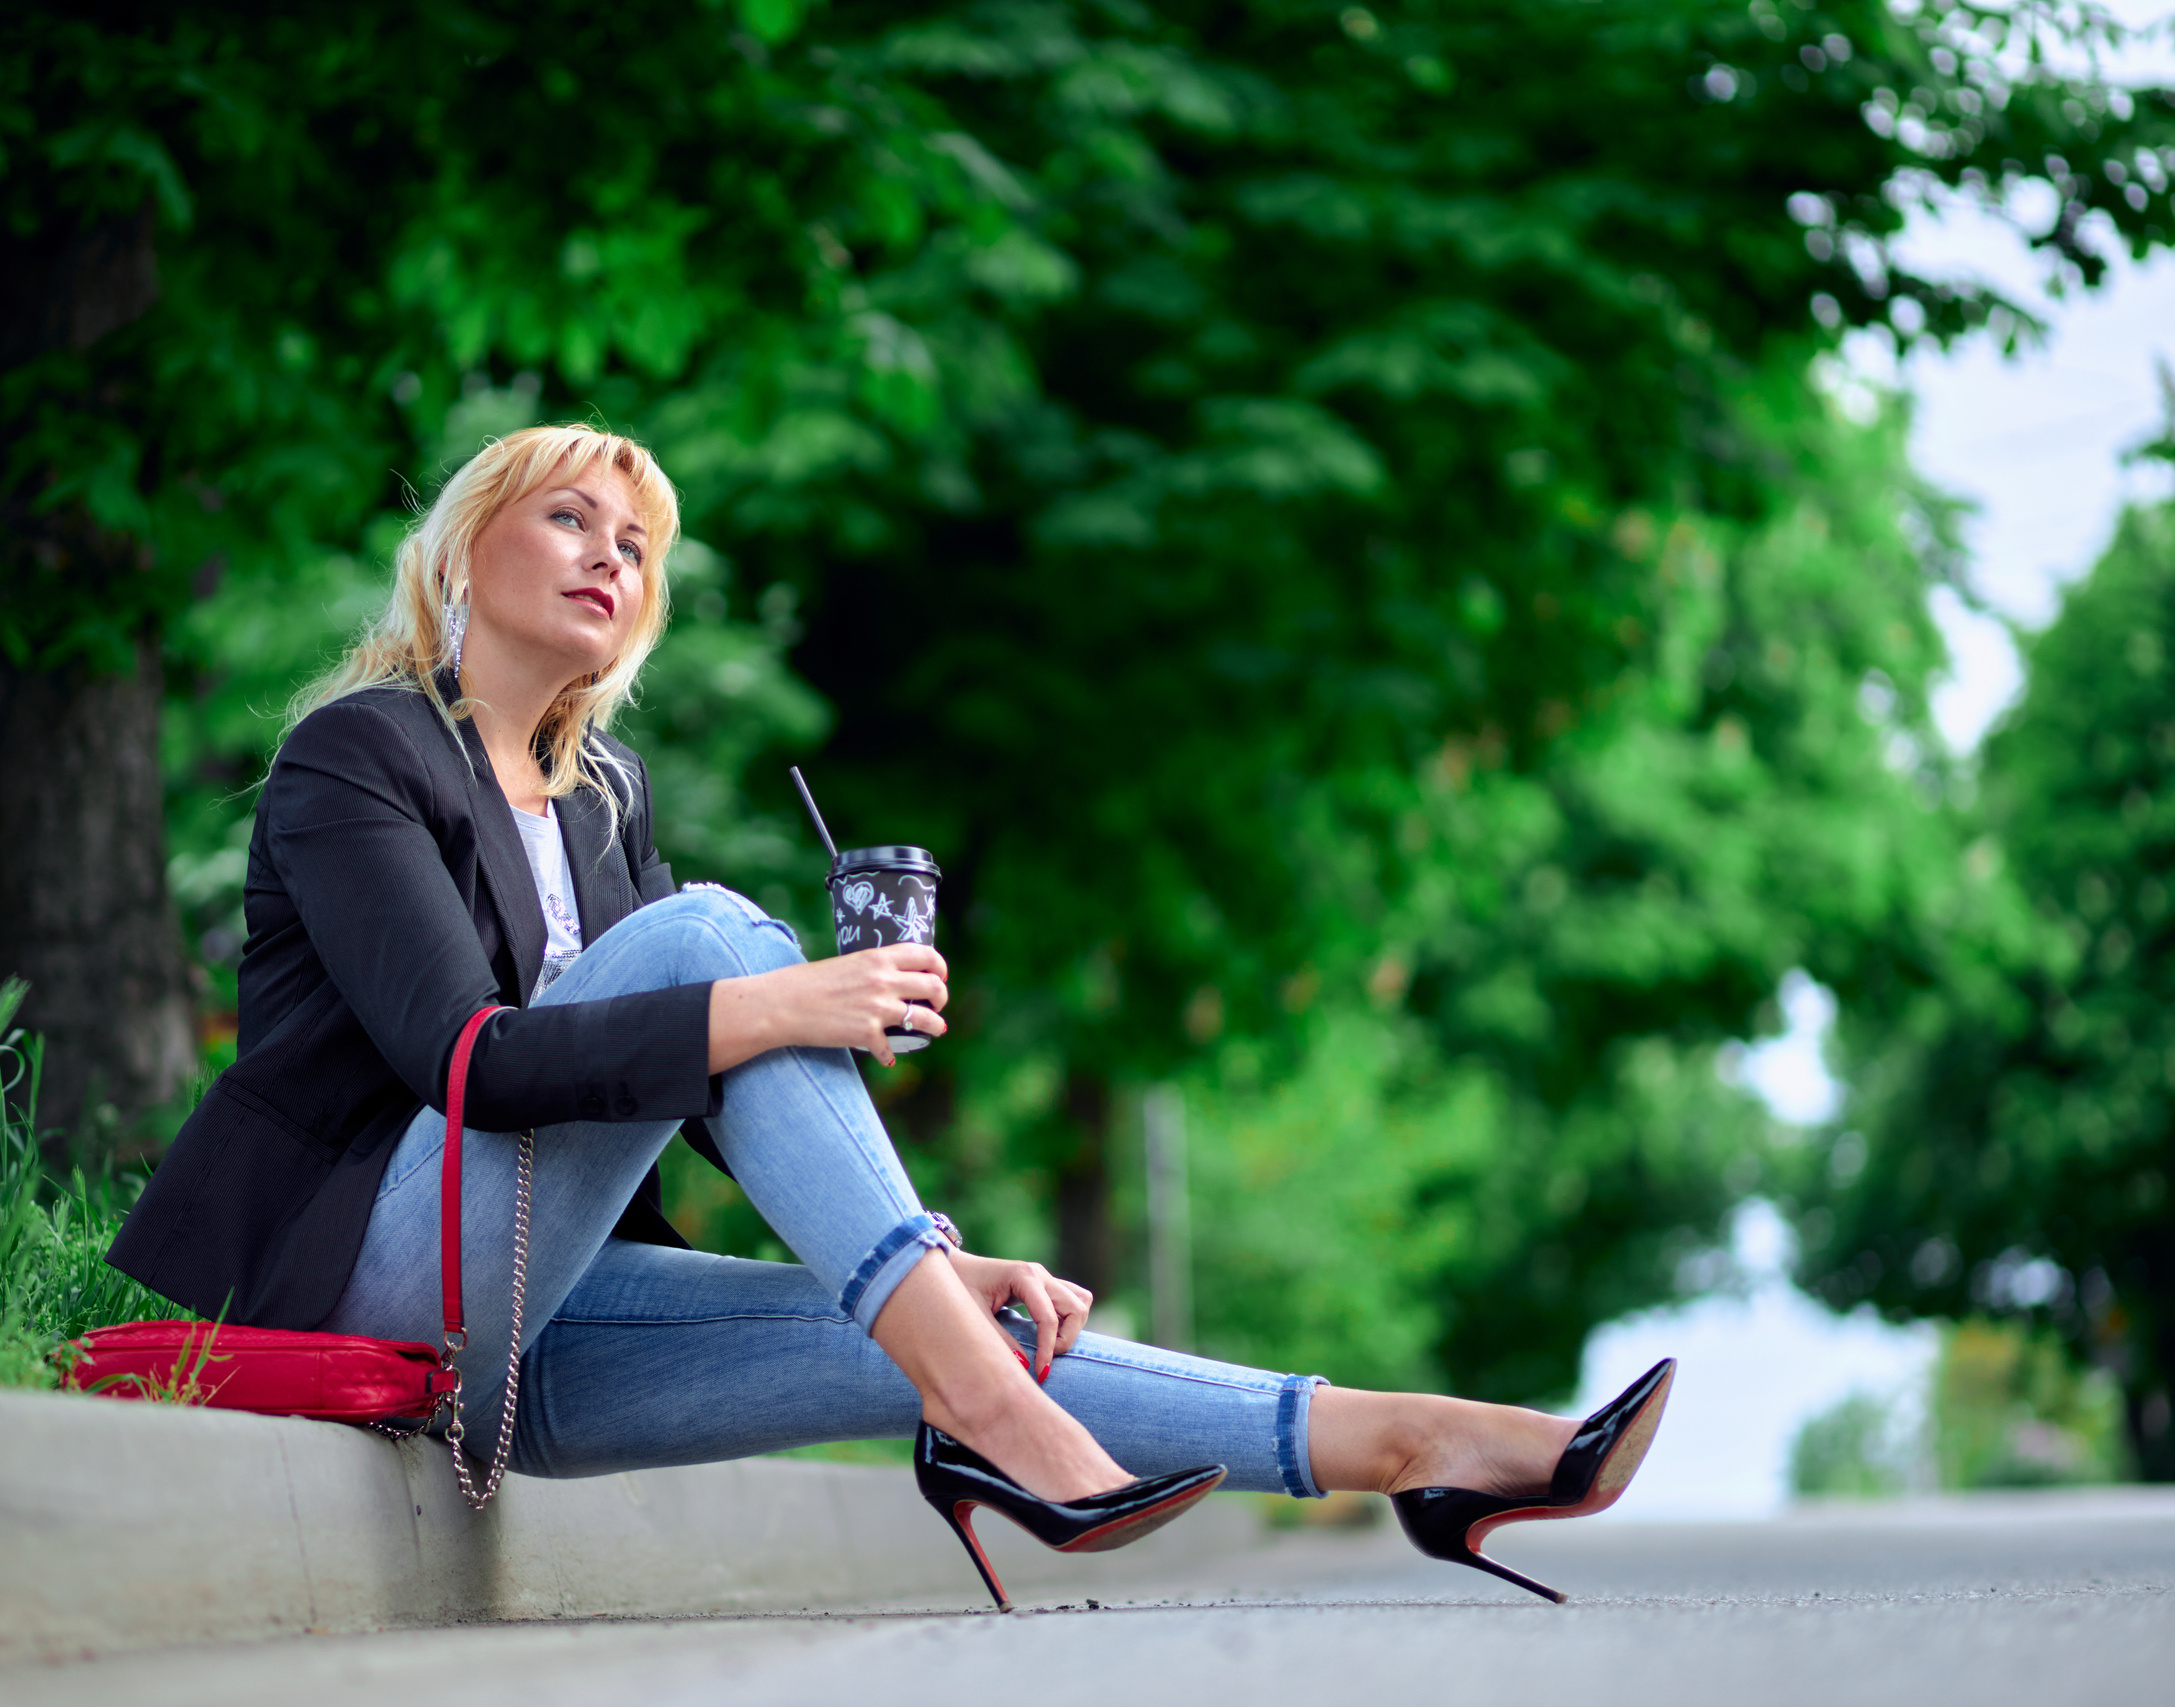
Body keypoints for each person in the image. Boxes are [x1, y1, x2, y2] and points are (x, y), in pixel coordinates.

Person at [107, 424, 1670, 1608]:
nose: (610, 555)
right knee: (717, 936)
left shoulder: (603, 800)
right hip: (358, 1291)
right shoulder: (360, 755)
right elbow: (476, 1067)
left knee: (937, 1306)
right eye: (569, 518)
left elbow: (697, 1088)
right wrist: (772, 993)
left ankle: (1426, 1449)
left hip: (533, 1342)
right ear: (461, 557)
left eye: (639, 543)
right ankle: (987, 1409)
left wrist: (923, 1260)